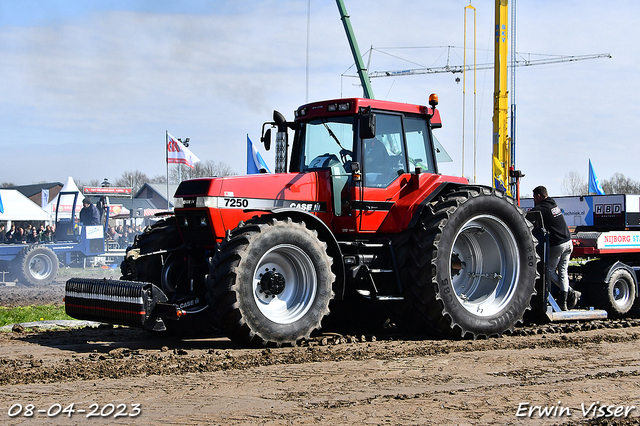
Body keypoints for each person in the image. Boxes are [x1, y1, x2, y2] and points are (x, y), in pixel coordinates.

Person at [530, 185, 581, 310]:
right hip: (569, 242)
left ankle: (570, 292)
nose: (534, 200)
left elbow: (529, 217)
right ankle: (563, 303)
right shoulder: (553, 205)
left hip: (558, 244)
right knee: (563, 272)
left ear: (538, 196)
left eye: (534, 197)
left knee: (549, 272)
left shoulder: (542, 208)